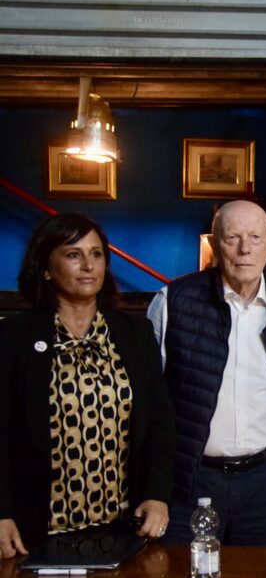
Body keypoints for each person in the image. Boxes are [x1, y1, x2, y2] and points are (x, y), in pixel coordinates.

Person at [148, 200, 266, 547]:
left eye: (255, 238)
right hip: (192, 480)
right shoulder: (172, 303)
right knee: (186, 577)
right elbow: (151, 403)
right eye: (232, 238)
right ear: (215, 244)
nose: (245, 249)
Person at [0, 212, 173, 558]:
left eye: (96, 254)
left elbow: (159, 422)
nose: (88, 265)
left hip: (124, 528)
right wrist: (1, 512)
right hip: (36, 533)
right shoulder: (13, 337)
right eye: (73, 254)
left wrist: (158, 495)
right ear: (45, 267)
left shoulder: (135, 334)